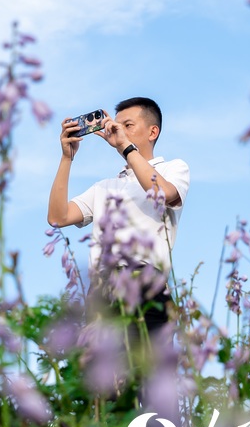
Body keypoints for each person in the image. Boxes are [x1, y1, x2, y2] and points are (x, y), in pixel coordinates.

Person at [47, 97, 190, 344]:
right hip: (102, 292)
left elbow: (163, 193)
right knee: (102, 378)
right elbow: (58, 217)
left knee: (145, 374)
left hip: (146, 285)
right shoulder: (105, 186)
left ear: (152, 131)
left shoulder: (173, 169)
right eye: (117, 125)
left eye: (128, 125)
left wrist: (126, 148)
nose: (119, 130)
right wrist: (66, 158)